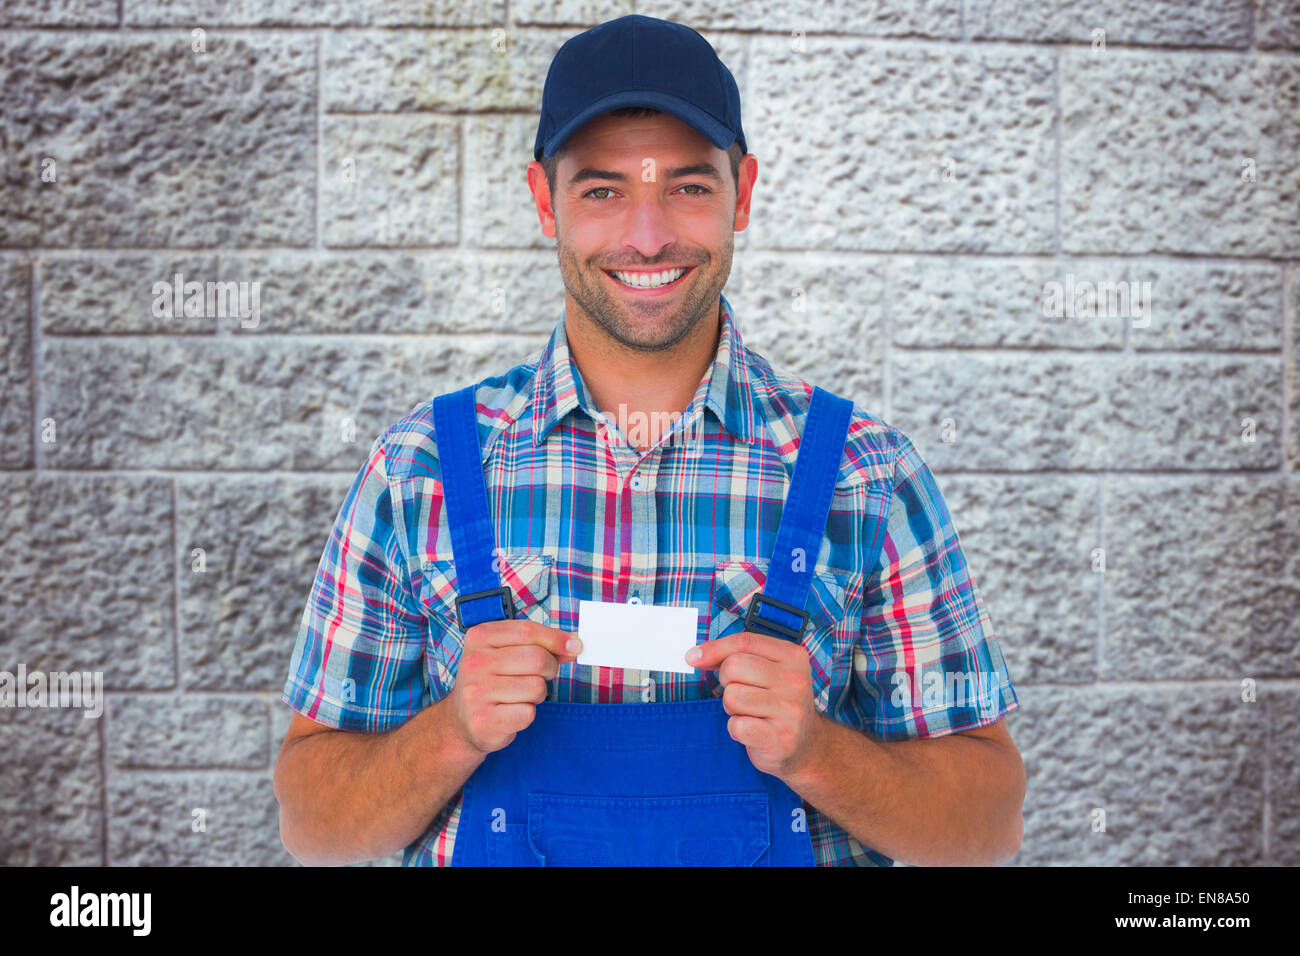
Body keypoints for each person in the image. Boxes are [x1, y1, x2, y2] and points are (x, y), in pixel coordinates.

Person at [273, 14, 1024, 867]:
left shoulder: (865, 473)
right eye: (602, 192)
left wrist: (816, 750)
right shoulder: (421, 470)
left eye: (688, 187)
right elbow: (314, 829)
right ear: (543, 200)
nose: (647, 235)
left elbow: (988, 829)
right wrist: (451, 732)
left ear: (742, 192)